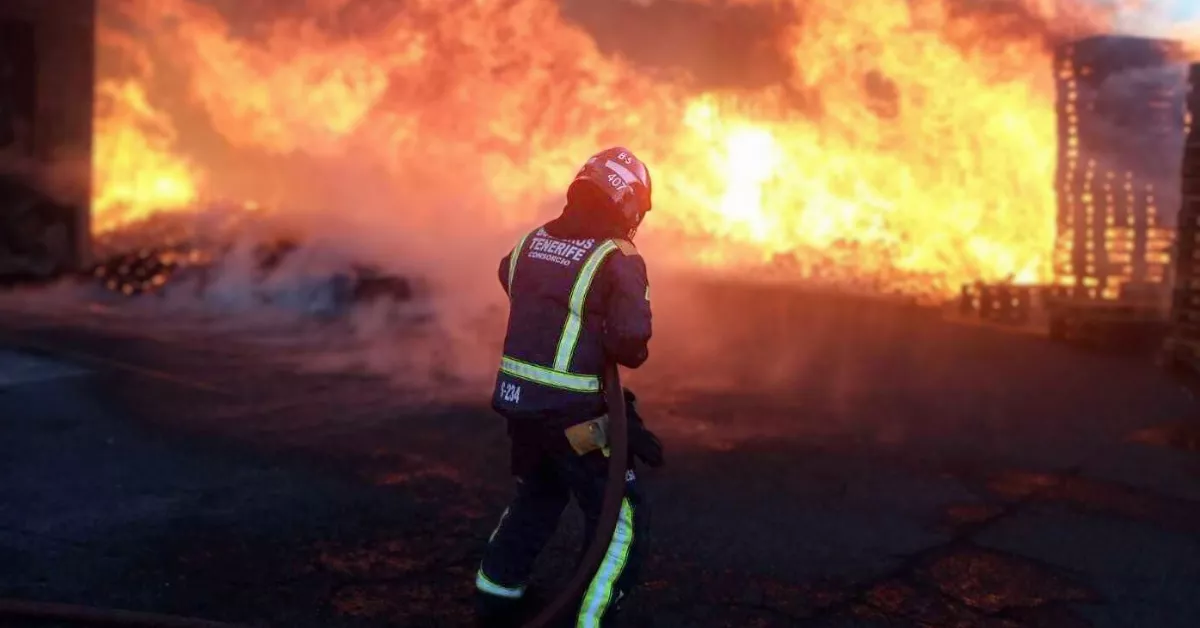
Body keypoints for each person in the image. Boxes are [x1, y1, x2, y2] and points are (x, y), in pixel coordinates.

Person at [475, 147, 664, 627]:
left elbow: (511, 278)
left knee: (539, 492)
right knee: (619, 519)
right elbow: (631, 345)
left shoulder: (530, 242)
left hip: (520, 408)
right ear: (623, 200)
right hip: (575, 417)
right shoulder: (617, 257)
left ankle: (496, 597)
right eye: (636, 207)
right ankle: (590, 621)